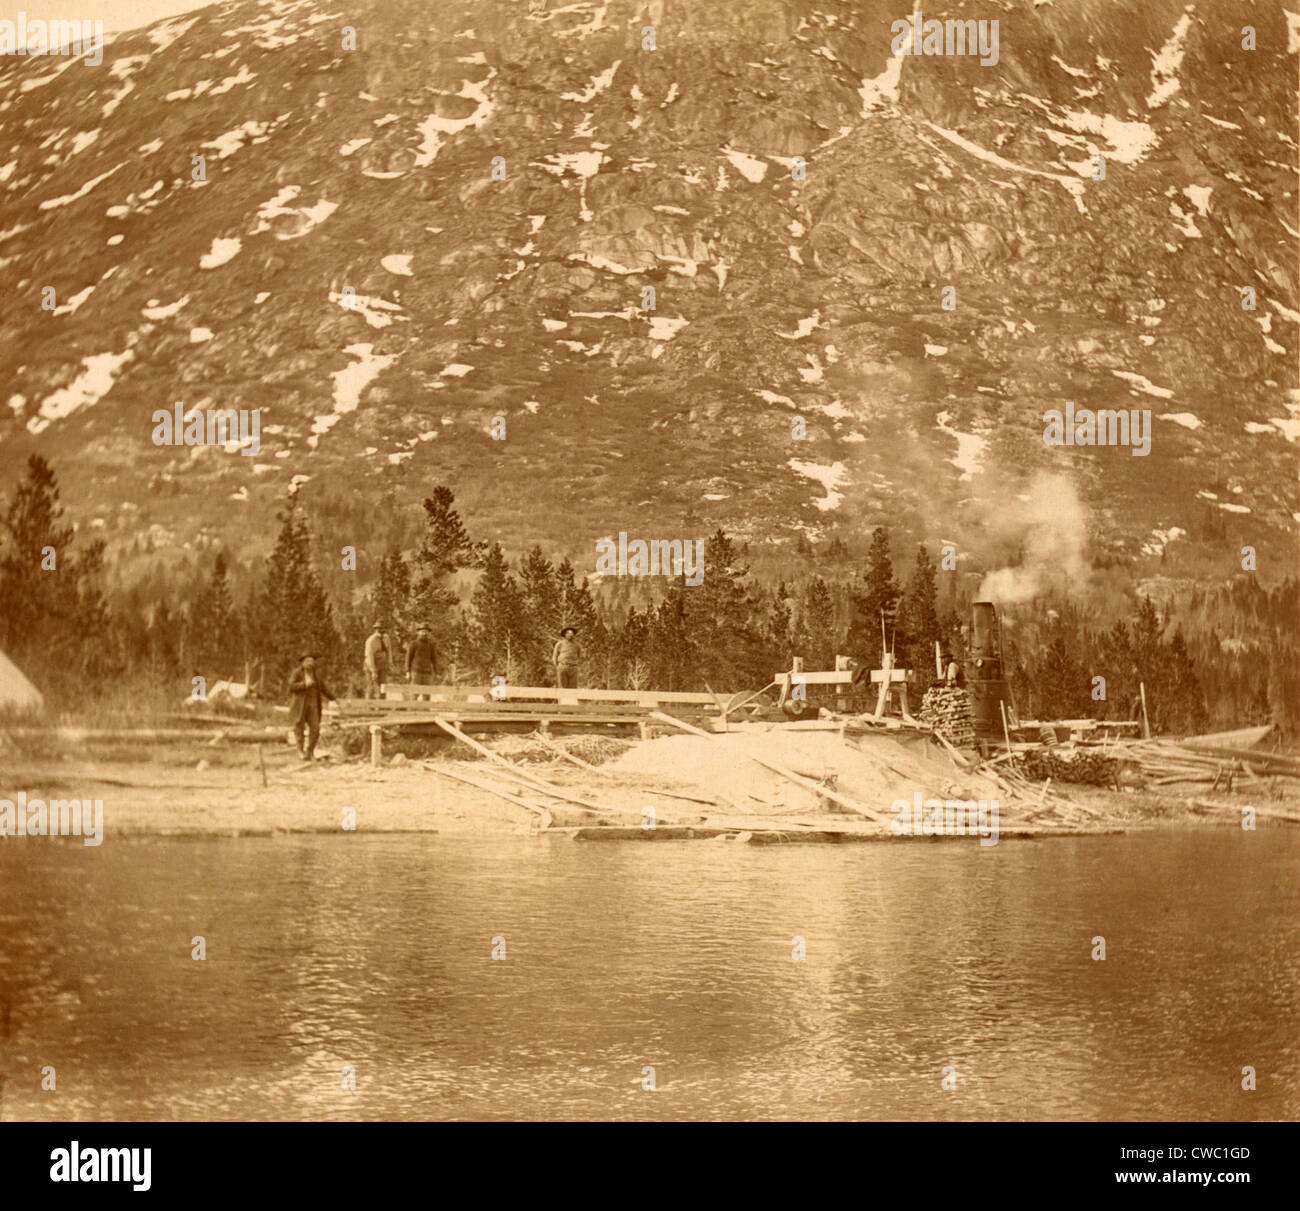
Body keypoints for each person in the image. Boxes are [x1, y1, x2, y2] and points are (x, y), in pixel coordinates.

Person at [288, 654, 337, 760]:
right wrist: (304, 684)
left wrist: (334, 699)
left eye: (311, 661)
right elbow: (291, 686)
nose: (310, 663)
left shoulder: (316, 675)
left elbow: (324, 688)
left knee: (315, 728)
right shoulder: (297, 673)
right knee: (299, 728)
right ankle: (300, 750)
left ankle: (309, 751)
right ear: (303, 663)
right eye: (307, 661)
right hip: (300, 705)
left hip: (313, 705)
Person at [363, 621, 392, 699]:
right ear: (375, 630)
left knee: (383, 686)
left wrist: (390, 663)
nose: (381, 630)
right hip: (371, 664)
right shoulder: (371, 641)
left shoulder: (386, 638)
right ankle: (369, 706)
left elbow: (389, 651)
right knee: (372, 685)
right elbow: (369, 656)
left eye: (383, 628)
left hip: (382, 664)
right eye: (379, 629)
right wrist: (373, 671)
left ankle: (382, 706)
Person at [406, 624, 437, 695]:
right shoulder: (413, 644)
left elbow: (434, 659)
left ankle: (426, 706)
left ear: (429, 633)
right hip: (416, 672)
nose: (424, 633)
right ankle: (412, 706)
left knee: (427, 694)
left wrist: (436, 672)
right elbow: (408, 658)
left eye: (426, 632)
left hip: (427, 672)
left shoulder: (431, 645)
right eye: (422, 631)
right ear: (418, 632)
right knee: (414, 693)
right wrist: (407, 671)